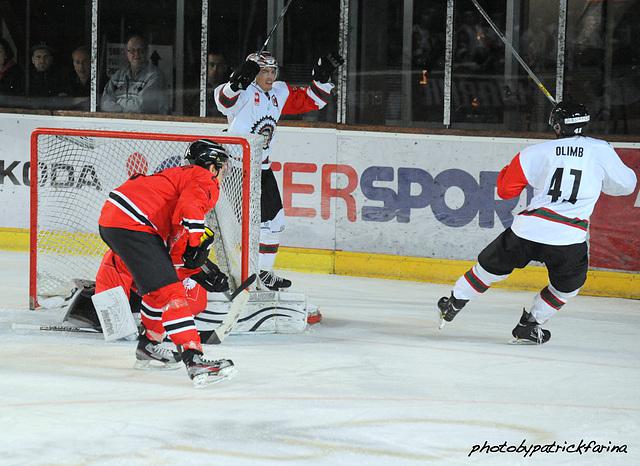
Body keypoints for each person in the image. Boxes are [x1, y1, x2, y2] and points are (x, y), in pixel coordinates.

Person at [437, 101, 637, 344]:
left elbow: (505, 191)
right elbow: (627, 185)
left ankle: (454, 302)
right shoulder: (601, 150)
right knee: (567, 287)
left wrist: (508, 171)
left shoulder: (535, 152)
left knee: (488, 269)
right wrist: (599, 179)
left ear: (556, 126)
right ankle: (530, 325)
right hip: (568, 238)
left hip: (528, 231)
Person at [97, 139, 235, 387]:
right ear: (211, 166)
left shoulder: (180, 177)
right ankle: (194, 359)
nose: (223, 173)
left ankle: (150, 345)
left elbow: (173, 250)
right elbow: (190, 208)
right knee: (172, 293)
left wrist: (195, 269)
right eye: (222, 167)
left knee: (158, 288)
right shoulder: (203, 178)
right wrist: (196, 245)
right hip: (133, 223)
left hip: (117, 220)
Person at [214, 50, 344, 290]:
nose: (270, 76)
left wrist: (322, 78)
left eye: (273, 71)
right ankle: (248, 275)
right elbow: (223, 102)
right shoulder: (244, 92)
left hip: (262, 167)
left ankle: (263, 273)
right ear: (253, 73)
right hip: (238, 169)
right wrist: (236, 82)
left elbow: (311, 101)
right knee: (257, 225)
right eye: (264, 71)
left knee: (275, 222)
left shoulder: (278, 92)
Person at [100, 34, 169, 114]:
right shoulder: (118, 76)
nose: (136, 54)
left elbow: (141, 106)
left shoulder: (155, 75)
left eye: (140, 50)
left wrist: (117, 105)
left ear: (146, 52)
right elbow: (104, 103)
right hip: (120, 121)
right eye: (132, 50)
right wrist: (125, 107)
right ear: (126, 53)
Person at [206, 51, 231, 116]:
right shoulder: (197, 90)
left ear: (224, 68)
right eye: (212, 65)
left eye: (219, 65)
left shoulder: (229, 90)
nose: (215, 69)